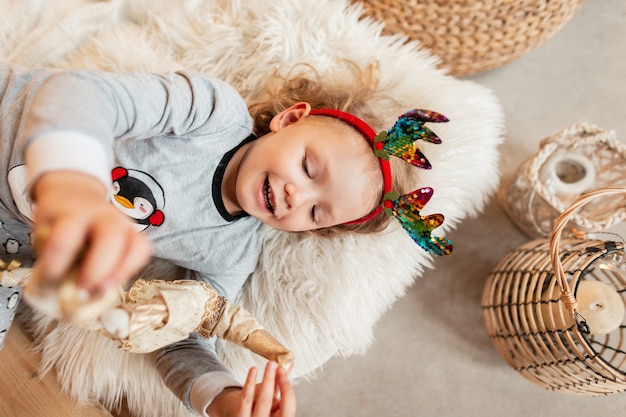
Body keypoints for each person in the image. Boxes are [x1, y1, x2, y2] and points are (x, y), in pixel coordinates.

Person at [0, 61, 450, 417]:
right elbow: (79, 92)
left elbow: (182, 337)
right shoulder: (213, 113)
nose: (298, 194)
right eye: (309, 168)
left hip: (12, 241)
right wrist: (74, 185)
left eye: (316, 213)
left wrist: (226, 399)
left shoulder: (231, 252)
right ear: (290, 119)